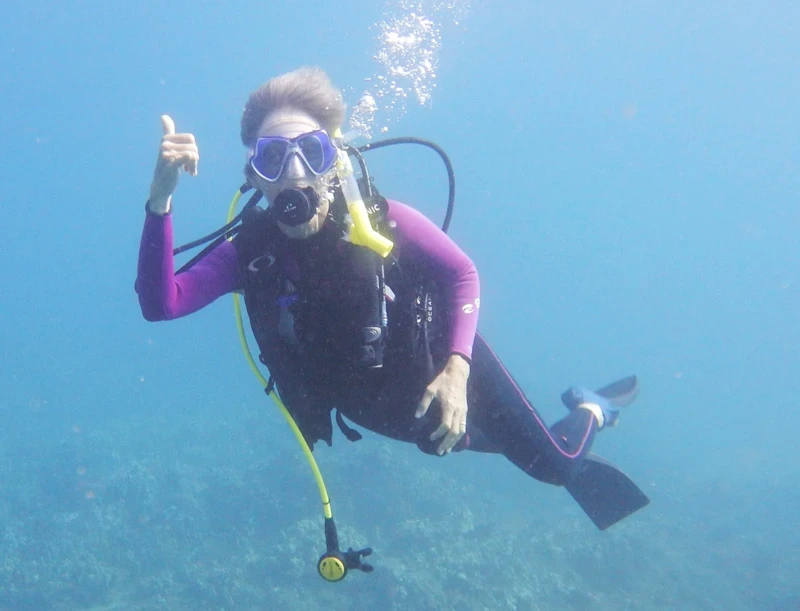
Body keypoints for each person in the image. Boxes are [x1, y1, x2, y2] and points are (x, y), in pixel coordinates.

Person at [136, 67, 648, 531]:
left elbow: (462, 273)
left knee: (553, 467)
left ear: (334, 163)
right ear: (254, 175)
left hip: (442, 364)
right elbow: (163, 303)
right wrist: (161, 198)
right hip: (376, 406)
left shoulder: (383, 220)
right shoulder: (249, 253)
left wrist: (457, 369)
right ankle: (522, 437)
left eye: (311, 153)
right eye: (272, 157)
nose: (294, 173)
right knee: (461, 441)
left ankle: (591, 409)